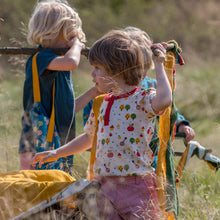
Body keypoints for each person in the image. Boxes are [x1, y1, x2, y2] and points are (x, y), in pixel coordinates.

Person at [32, 29, 172, 219]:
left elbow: (165, 99)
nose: (92, 74)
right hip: (105, 186)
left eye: (98, 68)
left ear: (116, 69)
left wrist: (159, 65)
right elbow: (90, 137)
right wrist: (58, 152)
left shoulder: (143, 99)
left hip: (137, 185)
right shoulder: (101, 103)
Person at [19, 0, 100, 174]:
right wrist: (77, 46)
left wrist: (92, 92)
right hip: (36, 142)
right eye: (69, 34)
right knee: (37, 193)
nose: (73, 38)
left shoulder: (59, 66)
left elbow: (67, 109)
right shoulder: (42, 58)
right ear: (54, 32)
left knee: (56, 194)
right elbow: (71, 62)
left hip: (57, 143)